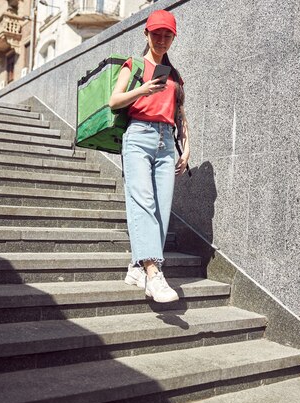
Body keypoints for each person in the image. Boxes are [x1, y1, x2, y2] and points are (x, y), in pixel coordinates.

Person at [108, 9, 189, 303]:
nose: (162, 40)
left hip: (167, 141)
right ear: (146, 34)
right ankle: (154, 272)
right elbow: (114, 100)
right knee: (142, 201)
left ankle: (136, 267)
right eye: (157, 34)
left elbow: (180, 113)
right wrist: (141, 90)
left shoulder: (175, 76)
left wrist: (186, 144)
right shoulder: (135, 65)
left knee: (161, 208)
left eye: (168, 35)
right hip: (138, 137)